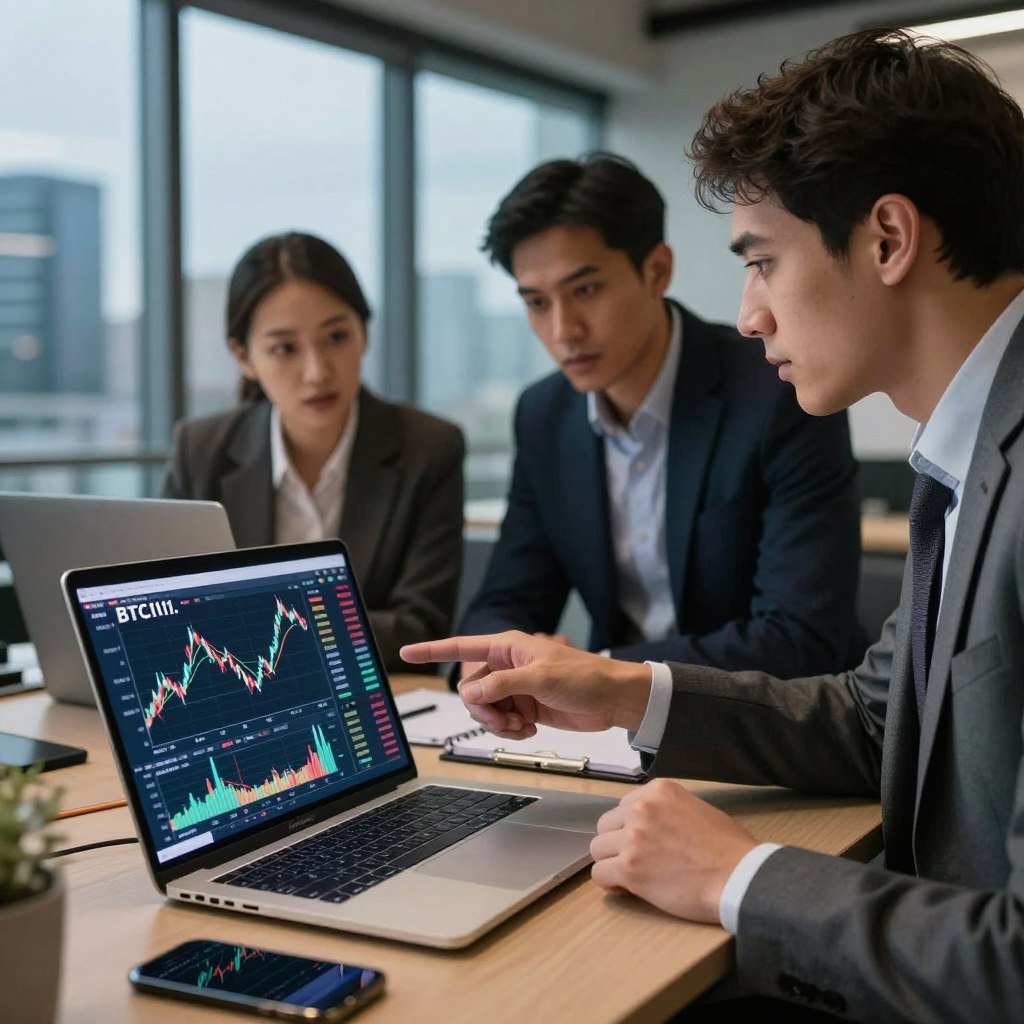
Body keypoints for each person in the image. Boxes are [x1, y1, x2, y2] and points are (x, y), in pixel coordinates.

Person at [404, 28, 1024, 1022]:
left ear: (887, 239)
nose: (748, 314)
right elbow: (877, 721)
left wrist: (740, 876)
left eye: (763, 262)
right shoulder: (964, 454)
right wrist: (618, 688)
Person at [456, 153, 864, 683]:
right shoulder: (544, 415)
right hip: (612, 720)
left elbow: (799, 639)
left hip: (775, 716)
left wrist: (597, 674)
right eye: (536, 302)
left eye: (585, 290)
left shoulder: (778, 391)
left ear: (656, 271)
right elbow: (507, 599)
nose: (563, 331)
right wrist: (486, 658)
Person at [162, 232, 464, 673]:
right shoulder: (201, 450)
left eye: (336, 337)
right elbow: (164, 610)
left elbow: (421, 630)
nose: (317, 372)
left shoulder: (428, 448)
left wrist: (267, 631)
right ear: (243, 357)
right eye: (284, 348)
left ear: (364, 333)